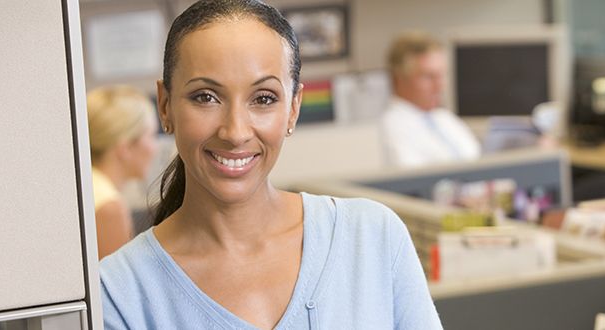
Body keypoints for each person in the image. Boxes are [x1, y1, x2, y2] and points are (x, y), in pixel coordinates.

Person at [98, 1, 443, 329]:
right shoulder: (118, 293)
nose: (235, 131)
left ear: (293, 109)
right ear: (165, 105)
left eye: (263, 99)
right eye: (206, 97)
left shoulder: (372, 238)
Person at [382, 31, 480, 168]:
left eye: (442, 75)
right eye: (429, 76)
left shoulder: (443, 118)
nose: (440, 85)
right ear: (398, 79)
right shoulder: (390, 128)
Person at [86, 85, 159, 259]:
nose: (155, 148)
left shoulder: (88, 187)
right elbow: (119, 285)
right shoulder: (109, 208)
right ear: (124, 148)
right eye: (151, 136)